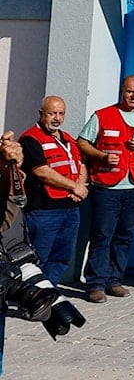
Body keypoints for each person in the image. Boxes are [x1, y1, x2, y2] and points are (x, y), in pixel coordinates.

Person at [77, 75, 134, 304]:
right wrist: (102, 156)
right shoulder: (102, 115)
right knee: (101, 235)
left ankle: (114, 280)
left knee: (124, 236)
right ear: (122, 91)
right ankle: (95, 284)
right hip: (106, 186)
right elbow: (82, 142)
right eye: (129, 92)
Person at [17, 96, 88, 286]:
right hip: (44, 210)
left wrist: (80, 187)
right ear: (41, 114)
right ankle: (32, 298)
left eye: (61, 113)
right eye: (52, 113)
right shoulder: (30, 139)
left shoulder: (68, 139)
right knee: (38, 259)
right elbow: (42, 172)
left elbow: (80, 165)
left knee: (62, 257)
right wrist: (74, 186)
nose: (56, 118)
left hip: (70, 208)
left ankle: (49, 294)